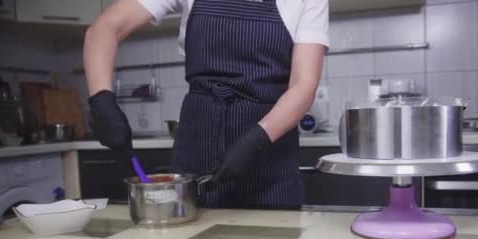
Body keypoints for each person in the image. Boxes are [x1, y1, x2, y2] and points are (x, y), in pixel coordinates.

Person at [84, 0, 328, 209]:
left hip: (270, 162)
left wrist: (255, 141)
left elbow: (303, 85)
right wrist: (101, 99)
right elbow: (105, 28)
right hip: (197, 152)